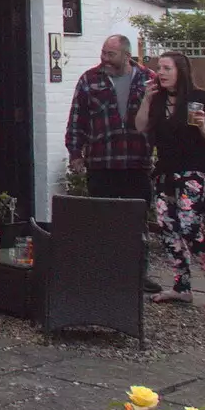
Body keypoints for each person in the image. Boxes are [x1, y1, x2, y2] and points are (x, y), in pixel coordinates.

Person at [66, 33, 159, 290]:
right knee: (102, 221)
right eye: (103, 53)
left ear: (126, 56)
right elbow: (77, 118)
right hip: (102, 161)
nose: (104, 58)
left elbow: (161, 118)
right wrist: (75, 153)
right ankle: (105, 273)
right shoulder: (90, 79)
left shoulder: (147, 79)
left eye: (110, 54)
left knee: (136, 221)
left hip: (137, 161)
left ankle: (138, 274)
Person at [135, 51, 205, 307]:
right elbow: (140, 126)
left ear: (180, 71)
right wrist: (145, 100)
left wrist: (202, 126)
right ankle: (181, 286)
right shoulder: (158, 100)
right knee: (168, 227)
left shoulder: (198, 97)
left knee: (189, 225)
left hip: (194, 171)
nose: (160, 73)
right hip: (165, 172)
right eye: (159, 68)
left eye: (166, 68)